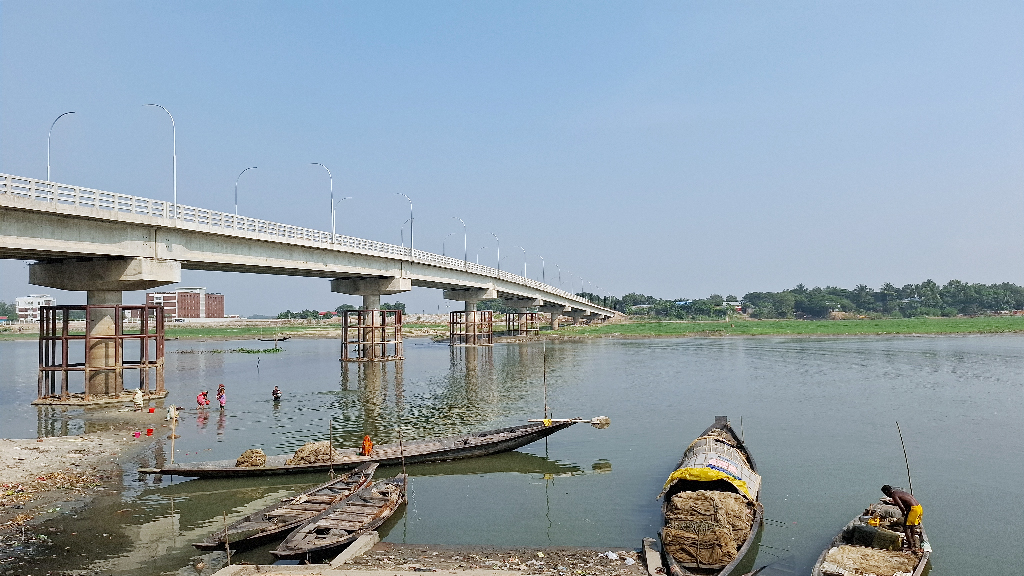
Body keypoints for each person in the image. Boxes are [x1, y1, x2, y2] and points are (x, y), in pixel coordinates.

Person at [881, 485, 923, 550]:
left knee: (906, 528)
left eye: (885, 494)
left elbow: (900, 506)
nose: (886, 496)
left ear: (887, 492)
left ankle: (910, 546)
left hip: (913, 509)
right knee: (912, 526)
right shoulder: (898, 492)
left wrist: (904, 513)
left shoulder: (893, 495)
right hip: (919, 507)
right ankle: (913, 541)